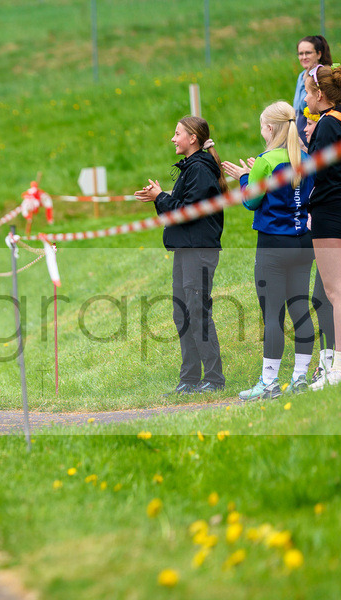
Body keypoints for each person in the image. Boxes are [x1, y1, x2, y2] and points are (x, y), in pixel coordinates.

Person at [220, 101, 314, 401]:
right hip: (303, 242)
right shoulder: (307, 157)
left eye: (262, 126)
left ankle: (269, 382)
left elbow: (250, 200)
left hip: (274, 244)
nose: (262, 132)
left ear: (270, 128)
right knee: (300, 307)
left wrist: (245, 177)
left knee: (273, 313)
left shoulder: (266, 159)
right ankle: (300, 377)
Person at [135, 116, 226, 395]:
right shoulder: (191, 169)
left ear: (193, 139)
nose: (173, 139)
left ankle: (214, 379)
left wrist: (160, 197)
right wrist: (160, 197)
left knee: (197, 312)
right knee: (182, 312)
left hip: (198, 250)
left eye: (177, 134)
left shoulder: (199, 169)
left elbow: (187, 212)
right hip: (185, 250)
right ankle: (189, 379)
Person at [303, 64, 341, 389]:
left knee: (337, 292)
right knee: (338, 291)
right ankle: (339, 366)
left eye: (309, 93)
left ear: (322, 95)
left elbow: (313, 171)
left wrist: (304, 151)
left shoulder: (327, 124)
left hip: (328, 210)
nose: (307, 100)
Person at [292, 36, 332, 142]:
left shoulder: (322, 76)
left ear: (319, 54)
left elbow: (304, 105)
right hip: (300, 134)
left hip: (314, 134)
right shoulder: (302, 75)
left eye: (308, 53)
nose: (304, 57)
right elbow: (296, 107)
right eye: (301, 54)